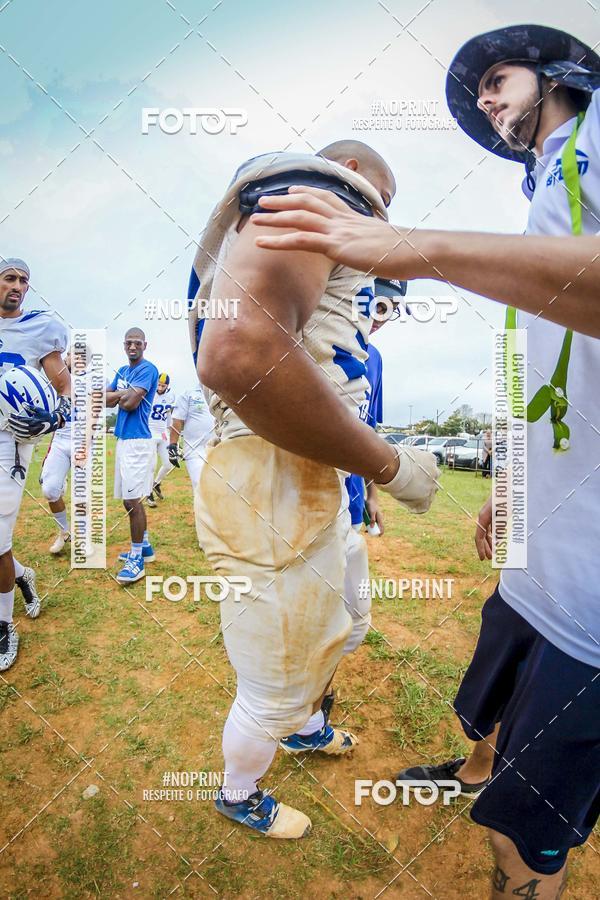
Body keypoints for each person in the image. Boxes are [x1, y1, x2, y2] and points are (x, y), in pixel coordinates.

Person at [252, 26, 600, 898]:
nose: (485, 98)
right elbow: (557, 361)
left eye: (498, 77)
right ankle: (476, 770)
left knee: (524, 839)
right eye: (479, 92)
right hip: (543, 547)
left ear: (558, 73)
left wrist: (412, 247)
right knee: (490, 712)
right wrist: (516, 483)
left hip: (594, 593)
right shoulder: (549, 186)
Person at [189, 140, 439, 838]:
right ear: (353, 173)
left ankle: (304, 726)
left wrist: (367, 487)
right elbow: (240, 353)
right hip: (276, 474)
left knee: (344, 628)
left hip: (315, 482)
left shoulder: (314, 235)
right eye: (384, 198)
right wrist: (392, 467)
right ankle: (238, 793)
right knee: (274, 680)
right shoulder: (321, 191)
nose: (381, 220)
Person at [0, 258, 70, 669]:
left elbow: (64, 386)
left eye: (23, 281)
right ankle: (22, 574)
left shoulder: (40, 327)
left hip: (10, 440)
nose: (18, 286)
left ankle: (3, 624)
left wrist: (57, 416)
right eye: (9, 278)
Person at [106, 328, 158, 584]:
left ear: (144, 345)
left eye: (137, 343)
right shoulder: (122, 371)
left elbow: (129, 404)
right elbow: (105, 400)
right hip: (123, 440)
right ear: (124, 345)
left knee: (132, 500)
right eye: (129, 343)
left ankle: (137, 559)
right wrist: (121, 394)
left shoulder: (148, 369)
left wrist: (120, 396)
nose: (133, 347)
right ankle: (144, 547)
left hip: (138, 442)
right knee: (127, 501)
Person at [167, 383, 213, 491]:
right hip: (195, 449)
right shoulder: (188, 394)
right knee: (201, 484)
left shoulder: (221, 392)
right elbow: (177, 420)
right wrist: (173, 444)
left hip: (218, 448)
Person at [146, 372, 176, 507]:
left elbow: (169, 416)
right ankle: (148, 493)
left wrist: (170, 430)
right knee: (151, 465)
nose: (160, 387)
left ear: (167, 386)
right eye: (158, 384)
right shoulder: (149, 394)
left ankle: (156, 483)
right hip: (150, 432)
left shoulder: (171, 396)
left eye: (163, 386)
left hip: (163, 433)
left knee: (168, 464)